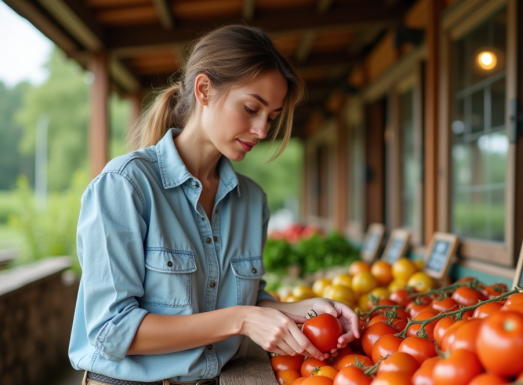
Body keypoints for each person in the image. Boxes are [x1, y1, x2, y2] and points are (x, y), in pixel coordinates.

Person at [68, 25, 360, 385]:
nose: (262, 130)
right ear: (204, 89)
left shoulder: (252, 201)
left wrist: (304, 310)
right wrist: (242, 319)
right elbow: (111, 331)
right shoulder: (126, 186)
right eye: (251, 108)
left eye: (271, 116)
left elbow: (229, 300)